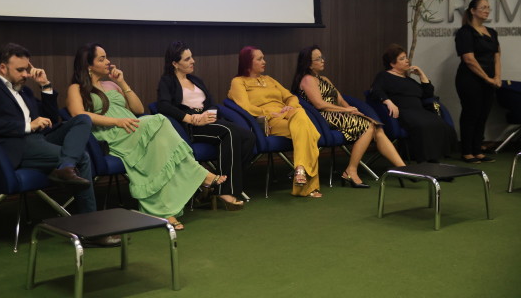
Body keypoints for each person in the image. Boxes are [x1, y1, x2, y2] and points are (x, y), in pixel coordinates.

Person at [67, 43, 226, 230]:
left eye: (107, 57)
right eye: (102, 59)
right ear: (88, 65)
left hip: (133, 127)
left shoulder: (111, 84)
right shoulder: (76, 88)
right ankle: (200, 175)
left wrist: (122, 83)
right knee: (159, 119)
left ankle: (165, 210)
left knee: (161, 148)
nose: (108, 62)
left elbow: (138, 109)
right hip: (113, 134)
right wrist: (117, 122)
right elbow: (79, 115)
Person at [0, 43, 116, 242]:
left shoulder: (25, 91)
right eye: (20, 70)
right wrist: (28, 126)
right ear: (3, 68)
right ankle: (91, 230)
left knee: (82, 119)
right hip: (18, 144)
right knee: (82, 157)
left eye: (26, 69)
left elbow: (53, 119)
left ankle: (65, 166)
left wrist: (45, 86)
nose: (26, 74)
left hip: (41, 139)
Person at [156, 41, 256, 210]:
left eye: (191, 57)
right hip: (191, 127)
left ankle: (220, 184)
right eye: (187, 59)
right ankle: (225, 191)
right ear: (175, 63)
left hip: (209, 121)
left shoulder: (195, 80)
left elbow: (211, 103)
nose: (192, 61)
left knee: (249, 137)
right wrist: (190, 118)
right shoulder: (167, 81)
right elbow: (163, 106)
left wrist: (210, 114)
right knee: (229, 132)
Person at [291, 45, 406, 187]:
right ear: (309, 63)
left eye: (322, 57)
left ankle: (403, 169)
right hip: (322, 117)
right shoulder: (307, 79)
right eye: (318, 59)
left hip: (338, 114)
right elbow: (319, 105)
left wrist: (352, 110)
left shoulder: (324, 79)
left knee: (377, 128)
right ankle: (351, 171)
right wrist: (345, 110)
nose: (323, 60)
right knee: (368, 126)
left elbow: (340, 99)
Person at [228, 46, 322, 198]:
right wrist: (269, 113)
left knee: (299, 113)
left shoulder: (269, 79)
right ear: (248, 62)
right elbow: (245, 107)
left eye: (263, 58)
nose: (264, 61)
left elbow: (291, 97)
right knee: (310, 132)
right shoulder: (238, 82)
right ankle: (306, 182)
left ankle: (300, 169)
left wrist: (290, 106)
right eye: (259, 59)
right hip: (270, 120)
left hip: (288, 114)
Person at [369, 44, 456, 163]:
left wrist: (421, 75)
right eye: (402, 59)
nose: (407, 60)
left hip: (419, 111)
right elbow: (375, 90)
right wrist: (388, 102)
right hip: (403, 111)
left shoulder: (409, 80)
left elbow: (428, 94)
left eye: (406, 57)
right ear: (392, 64)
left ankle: (434, 159)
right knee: (422, 126)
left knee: (440, 124)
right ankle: (423, 160)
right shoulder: (384, 76)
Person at [455, 0, 500, 164]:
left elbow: (497, 56)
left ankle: (477, 150)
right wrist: (487, 78)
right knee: (471, 114)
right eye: (483, 7)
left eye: (488, 7)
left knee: (483, 114)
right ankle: (467, 152)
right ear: (473, 11)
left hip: (489, 81)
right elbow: (469, 60)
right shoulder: (465, 32)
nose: (487, 10)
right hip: (469, 80)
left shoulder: (492, 32)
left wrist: (497, 77)